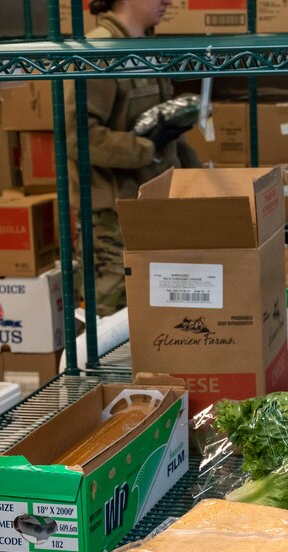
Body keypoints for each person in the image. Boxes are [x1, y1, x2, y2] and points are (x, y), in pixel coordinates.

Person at [65, 0, 200, 316]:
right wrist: (145, 149)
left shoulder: (144, 48)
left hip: (152, 211)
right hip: (112, 225)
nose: (168, 1)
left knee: (156, 319)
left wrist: (194, 171)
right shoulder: (98, 52)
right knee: (114, 326)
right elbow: (76, 136)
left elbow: (163, 133)